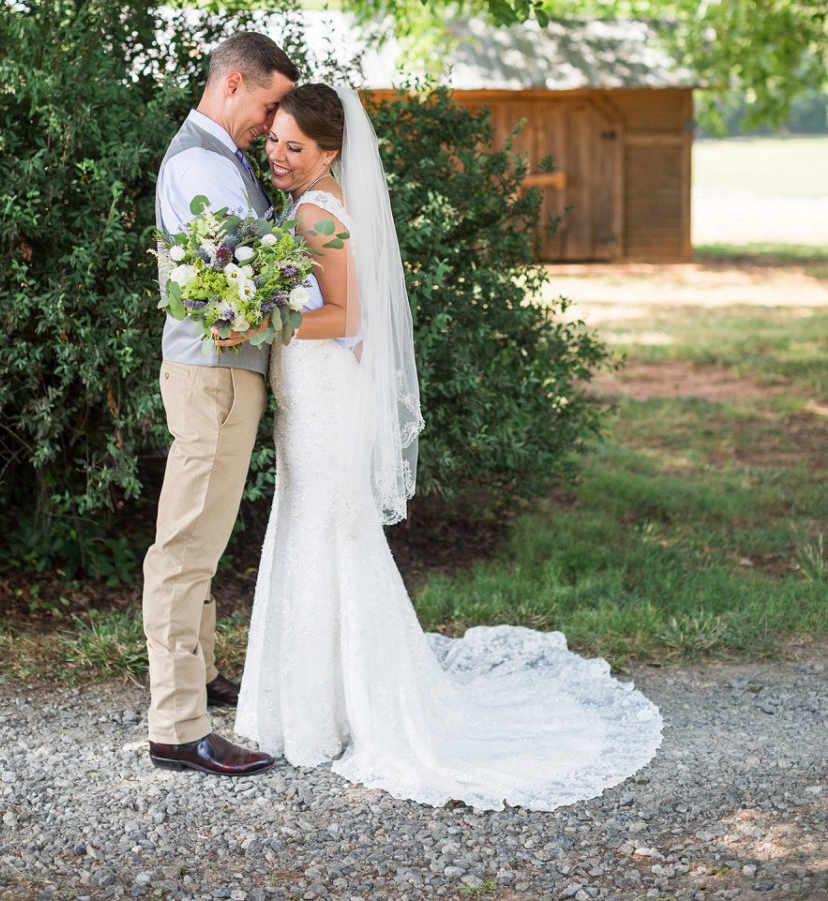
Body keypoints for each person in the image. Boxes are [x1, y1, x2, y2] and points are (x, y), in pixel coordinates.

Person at [235, 84, 663, 810]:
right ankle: (319, 706)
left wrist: (260, 319)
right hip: (310, 395)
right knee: (315, 529)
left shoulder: (316, 210)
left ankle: (324, 715)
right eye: (272, 140)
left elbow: (347, 316)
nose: (275, 156)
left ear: (331, 151)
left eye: (293, 146)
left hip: (325, 396)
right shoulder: (320, 199)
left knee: (324, 533)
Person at [143, 31, 298, 777]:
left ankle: (201, 677)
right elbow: (229, 286)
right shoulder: (205, 164)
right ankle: (177, 726)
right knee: (183, 548)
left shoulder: (217, 157)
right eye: (269, 105)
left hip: (220, 374)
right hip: (214, 375)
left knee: (203, 536)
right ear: (232, 84)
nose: (272, 125)